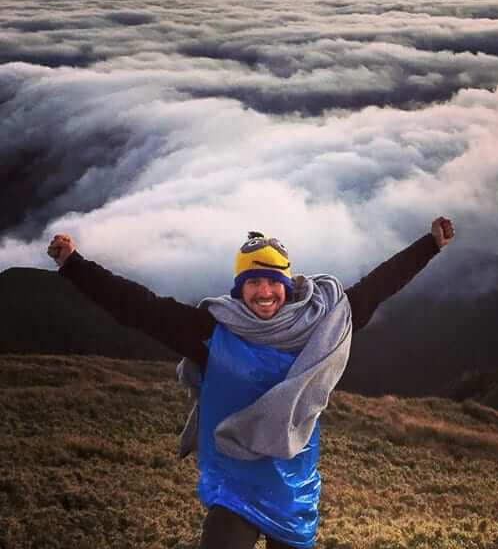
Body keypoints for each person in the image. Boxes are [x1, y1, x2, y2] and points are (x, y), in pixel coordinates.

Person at [47, 217, 454, 549]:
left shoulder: (317, 326)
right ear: (239, 289)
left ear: (287, 285)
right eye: (252, 283)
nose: (264, 291)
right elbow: (138, 307)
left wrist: (429, 245)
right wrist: (75, 266)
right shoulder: (211, 331)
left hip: (292, 484)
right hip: (233, 481)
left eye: (272, 281)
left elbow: (378, 286)